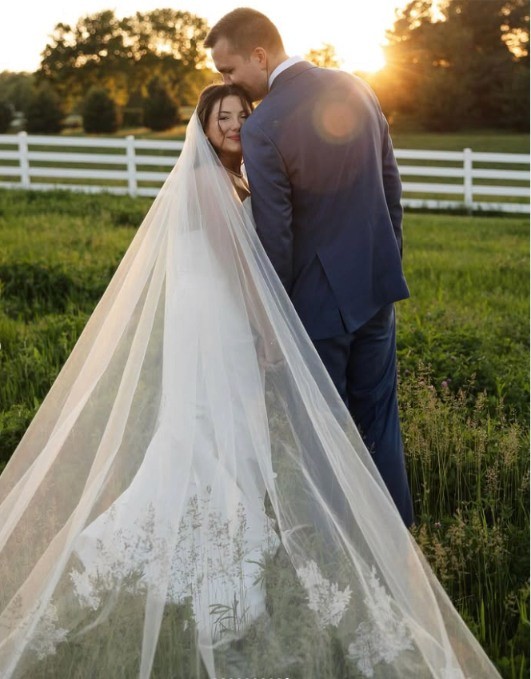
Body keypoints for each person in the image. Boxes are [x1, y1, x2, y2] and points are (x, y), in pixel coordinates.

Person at [0, 86, 501, 679]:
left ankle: (211, 538)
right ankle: (196, 561)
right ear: (204, 126)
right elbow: (237, 263)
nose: (236, 124)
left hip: (214, 319)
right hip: (220, 322)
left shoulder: (228, 179)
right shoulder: (209, 182)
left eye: (243, 115)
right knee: (214, 428)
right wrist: (270, 331)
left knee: (214, 429)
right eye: (223, 117)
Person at [205, 8, 414, 526]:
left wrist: (275, 319)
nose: (226, 82)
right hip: (375, 287)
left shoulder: (265, 125)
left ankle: (338, 548)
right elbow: (392, 189)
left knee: (321, 434)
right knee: (380, 418)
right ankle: (399, 535)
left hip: (316, 308)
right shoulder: (357, 87)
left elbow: (276, 236)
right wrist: (385, 266)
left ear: (259, 55)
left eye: (229, 71)